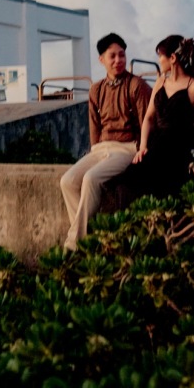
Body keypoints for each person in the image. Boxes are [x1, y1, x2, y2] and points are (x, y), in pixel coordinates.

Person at [60, 32, 151, 249]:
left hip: (127, 149)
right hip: (101, 148)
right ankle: (87, 238)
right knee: (68, 181)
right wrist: (94, 151)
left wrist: (143, 149)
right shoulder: (96, 89)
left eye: (122, 55)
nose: (118, 60)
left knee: (92, 178)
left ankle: (74, 244)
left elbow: (147, 121)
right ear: (102, 60)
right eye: (112, 56)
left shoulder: (137, 86)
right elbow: (94, 126)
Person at [121, 34, 194, 201]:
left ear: (172, 58)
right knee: (128, 180)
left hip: (180, 149)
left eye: (160, 56)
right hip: (157, 145)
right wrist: (142, 147)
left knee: (167, 191)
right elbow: (148, 118)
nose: (159, 60)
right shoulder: (160, 82)